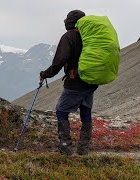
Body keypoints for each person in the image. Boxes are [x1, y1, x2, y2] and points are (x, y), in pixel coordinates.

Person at [39, 10, 98, 156]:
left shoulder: (69, 37)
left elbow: (59, 61)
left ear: (70, 22)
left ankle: (65, 146)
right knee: (85, 110)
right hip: (91, 81)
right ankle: (83, 147)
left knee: (61, 111)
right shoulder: (89, 36)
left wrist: (45, 74)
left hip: (75, 82)